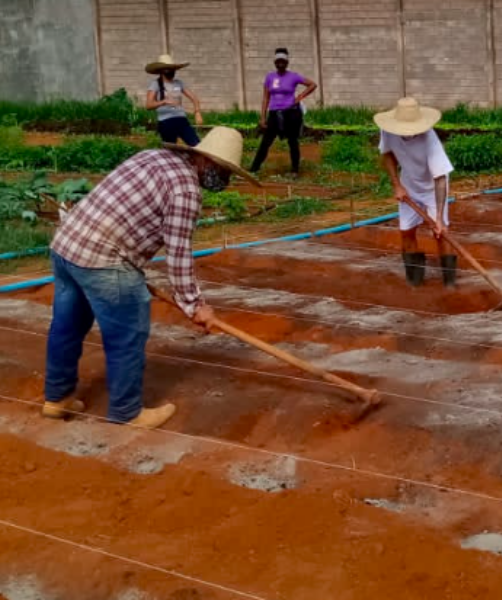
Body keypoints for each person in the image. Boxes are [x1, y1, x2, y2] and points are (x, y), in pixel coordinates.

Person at [41, 127, 260, 429]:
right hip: (105, 261)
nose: (224, 179)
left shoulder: (153, 157)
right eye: (222, 171)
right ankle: (128, 412)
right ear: (204, 161)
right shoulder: (186, 191)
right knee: (127, 335)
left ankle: (57, 398)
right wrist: (195, 305)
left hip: (67, 246)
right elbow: (179, 253)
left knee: (67, 326)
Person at [374, 97, 456, 288]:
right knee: (406, 231)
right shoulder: (388, 130)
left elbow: (440, 179)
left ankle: (450, 283)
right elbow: (386, 154)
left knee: (441, 233)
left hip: (433, 188)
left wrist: (438, 219)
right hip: (408, 184)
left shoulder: (430, 139)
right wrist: (397, 185)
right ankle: (415, 280)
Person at [249, 48, 318, 176]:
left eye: (283, 62)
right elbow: (266, 98)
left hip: (291, 113)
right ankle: (254, 169)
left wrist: (299, 97)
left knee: (292, 141)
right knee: (266, 141)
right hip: (274, 114)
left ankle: (294, 170)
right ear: (275, 62)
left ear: (287, 62)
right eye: (278, 61)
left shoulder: (293, 76)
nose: (280, 64)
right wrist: (263, 117)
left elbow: (312, 85)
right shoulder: (270, 77)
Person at [145, 54, 202, 146]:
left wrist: (197, 112)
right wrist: (163, 102)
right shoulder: (155, 84)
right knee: (171, 149)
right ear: (161, 71)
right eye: (168, 69)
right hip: (166, 121)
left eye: (172, 69)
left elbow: (194, 98)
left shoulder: (179, 83)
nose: (170, 71)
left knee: (197, 145)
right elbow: (148, 105)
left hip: (181, 119)